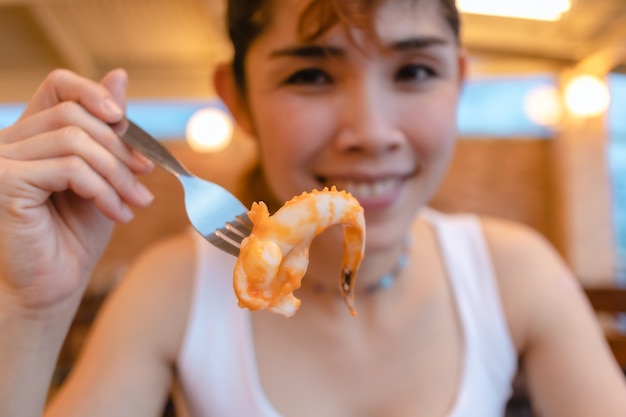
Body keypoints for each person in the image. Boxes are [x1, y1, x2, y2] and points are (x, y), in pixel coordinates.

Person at [1, 0, 625, 416]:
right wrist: (29, 306)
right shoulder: (171, 288)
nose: (373, 131)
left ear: (458, 82)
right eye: (311, 76)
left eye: (413, 70)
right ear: (237, 98)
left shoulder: (514, 272)